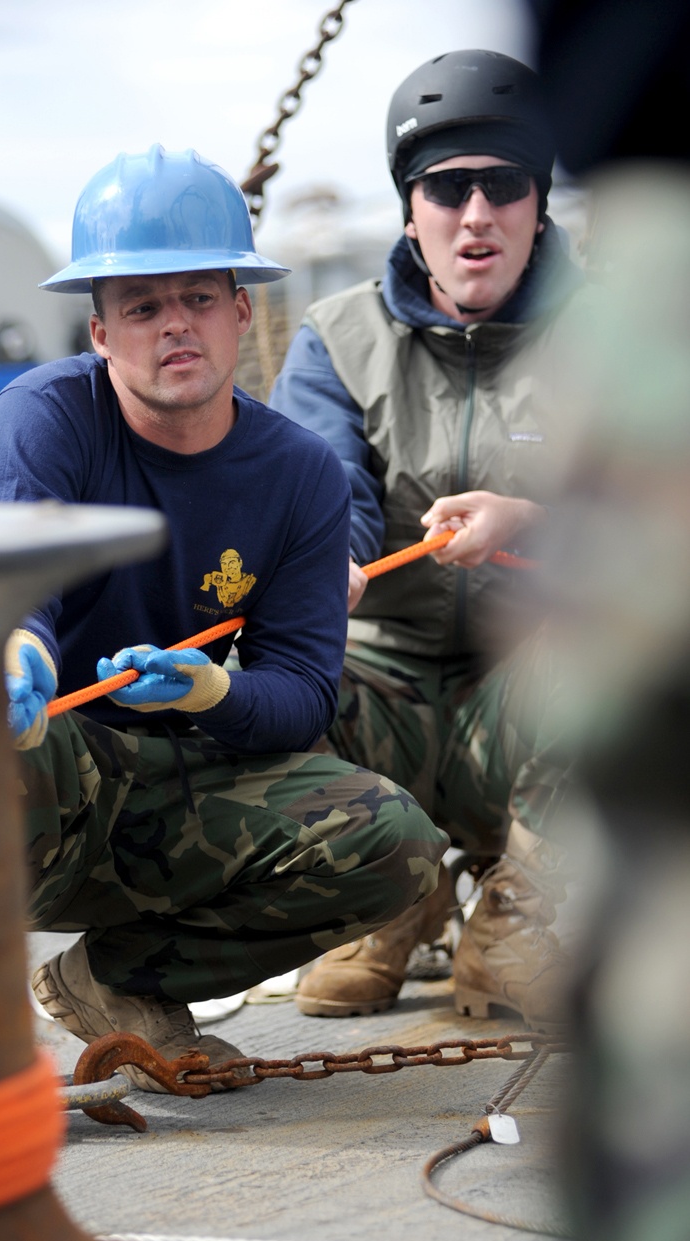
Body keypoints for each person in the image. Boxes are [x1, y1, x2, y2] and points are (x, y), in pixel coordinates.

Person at [0, 145, 448, 1090]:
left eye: (197, 297)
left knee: (392, 846)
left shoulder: (298, 475)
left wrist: (214, 689)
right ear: (99, 333)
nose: (173, 326)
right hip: (45, 770)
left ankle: (115, 979)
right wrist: (16, 647)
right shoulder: (43, 421)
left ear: (241, 312)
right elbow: (7, 585)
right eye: (142, 307)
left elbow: (303, 694)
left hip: (181, 783)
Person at [269, 51, 586, 1031]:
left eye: (505, 185)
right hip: (386, 700)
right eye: (448, 187)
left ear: (538, 206)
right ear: (411, 209)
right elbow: (321, 489)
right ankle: (386, 897)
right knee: (270, 667)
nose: (476, 213)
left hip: (527, 702)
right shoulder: (332, 337)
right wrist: (328, 561)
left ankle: (518, 911)